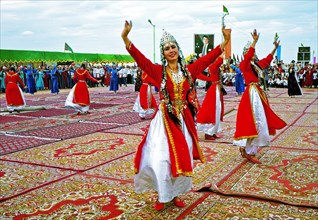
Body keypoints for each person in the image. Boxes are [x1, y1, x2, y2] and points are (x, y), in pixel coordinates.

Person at [121, 20, 230, 210]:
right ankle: (162, 195)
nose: (171, 50)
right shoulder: (158, 71)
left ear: (178, 49)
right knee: (163, 158)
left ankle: (176, 193)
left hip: (184, 120)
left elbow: (207, 59)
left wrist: (224, 42)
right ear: (163, 54)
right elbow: (141, 60)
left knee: (183, 154)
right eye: (166, 48)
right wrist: (126, 37)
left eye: (173, 46)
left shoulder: (189, 71)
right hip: (164, 120)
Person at [233, 29, 287, 164]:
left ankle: (249, 149)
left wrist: (275, 48)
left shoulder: (255, 65)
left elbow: (267, 60)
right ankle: (248, 149)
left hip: (257, 93)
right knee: (254, 120)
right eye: (249, 51)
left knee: (259, 121)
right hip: (251, 94)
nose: (252, 53)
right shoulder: (244, 65)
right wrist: (255, 42)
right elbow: (247, 57)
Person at [196, 56, 225, 140]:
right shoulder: (213, 66)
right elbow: (220, 61)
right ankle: (209, 132)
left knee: (218, 110)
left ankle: (213, 131)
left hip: (216, 88)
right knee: (213, 110)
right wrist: (220, 54)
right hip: (214, 89)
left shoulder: (214, 66)